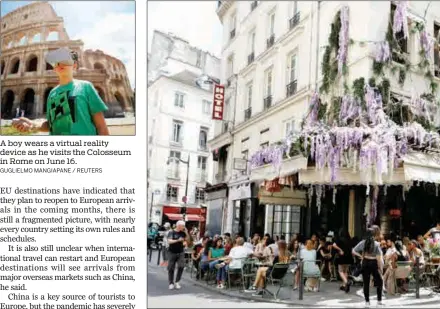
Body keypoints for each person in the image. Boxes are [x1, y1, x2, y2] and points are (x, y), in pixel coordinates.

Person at [12, 47, 109, 135]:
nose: (60, 63)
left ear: (74, 65)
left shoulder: (86, 87)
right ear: (54, 68)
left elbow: (101, 127)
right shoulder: (52, 93)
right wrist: (32, 124)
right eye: (57, 62)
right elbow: (52, 124)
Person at [352, 225, 383, 307]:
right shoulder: (377, 244)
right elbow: (379, 258)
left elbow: (353, 250)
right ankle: (379, 302)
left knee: (366, 283)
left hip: (365, 262)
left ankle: (367, 302)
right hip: (373, 263)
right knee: (379, 282)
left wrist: (361, 256)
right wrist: (380, 268)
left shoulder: (362, 242)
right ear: (373, 235)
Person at [167, 220, 190, 290]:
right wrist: (178, 240)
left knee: (181, 266)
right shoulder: (171, 232)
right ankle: (171, 283)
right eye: (183, 226)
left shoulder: (183, 232)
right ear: (178, 225)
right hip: (172, 252)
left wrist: (186, 233)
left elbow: (188, 241)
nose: (184, 227)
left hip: (180, 252)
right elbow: (169, 241)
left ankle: (177, 282)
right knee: (171, 268)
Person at [332, 228, 353, 292]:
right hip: (348, 256)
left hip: (342, 256)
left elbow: (334, 245)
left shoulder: (339, 239)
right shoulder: (350, 240)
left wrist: (340, 250)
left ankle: (346, 282)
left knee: (340, 271)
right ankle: (344, 285)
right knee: (345, 271)